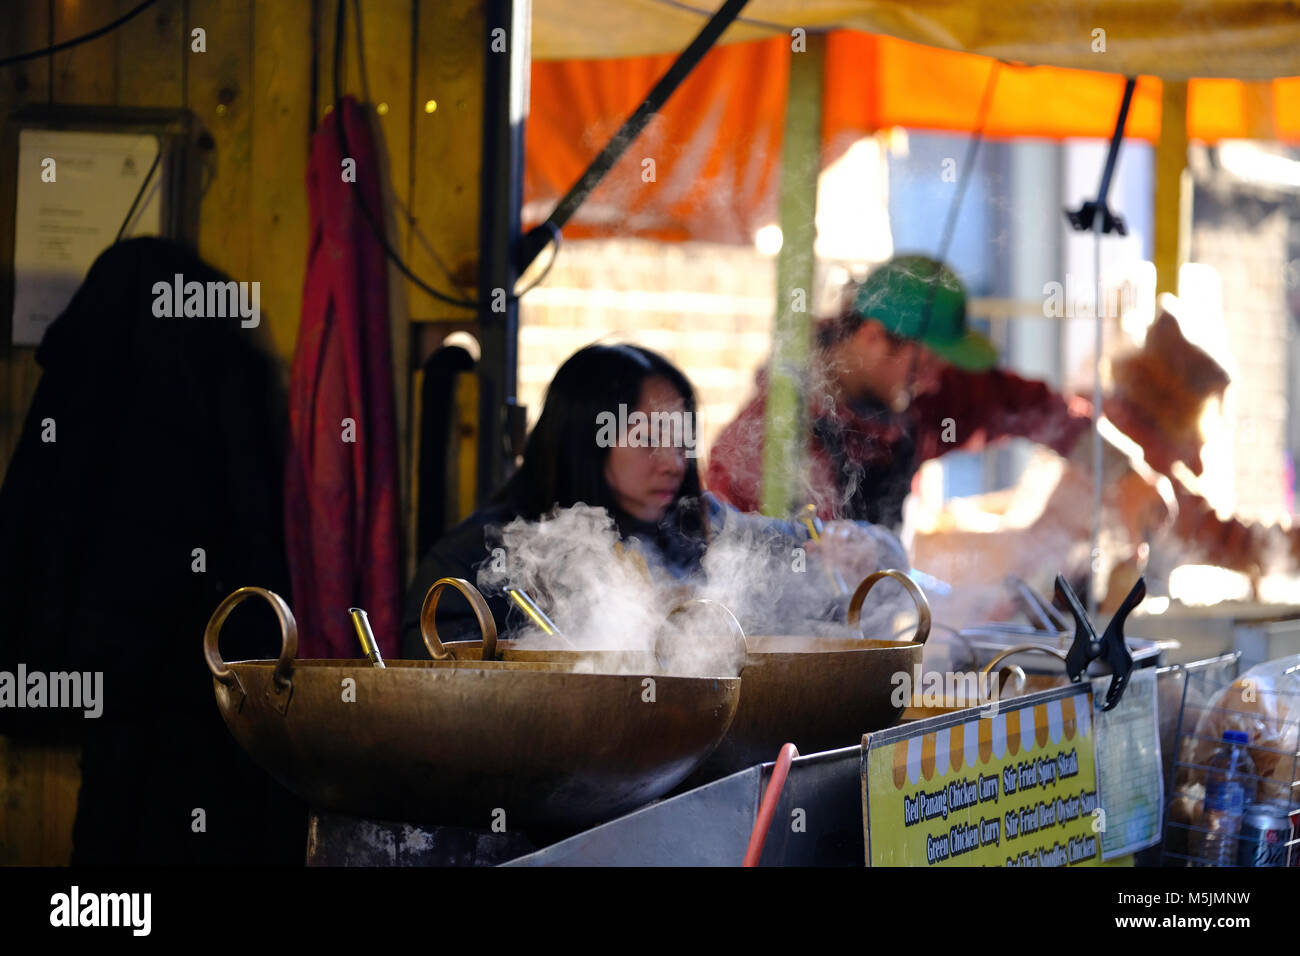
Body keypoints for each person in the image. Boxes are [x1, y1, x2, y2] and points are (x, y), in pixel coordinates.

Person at [400, 343, 905, 655]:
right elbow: (445, 696)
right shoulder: (481, 556)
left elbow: (867, 570)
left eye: (681, 439)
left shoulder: (699, 525)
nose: (672, 462)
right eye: (646, 440)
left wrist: (855, 551)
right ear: (584, 439)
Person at [707, 254, 1096, 530]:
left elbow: (1027, 406)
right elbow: (741, 570)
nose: (933, 381)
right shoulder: (765, 441)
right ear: (873, 336)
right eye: (923, 366)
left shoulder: (925, 398)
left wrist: (1112, 465)